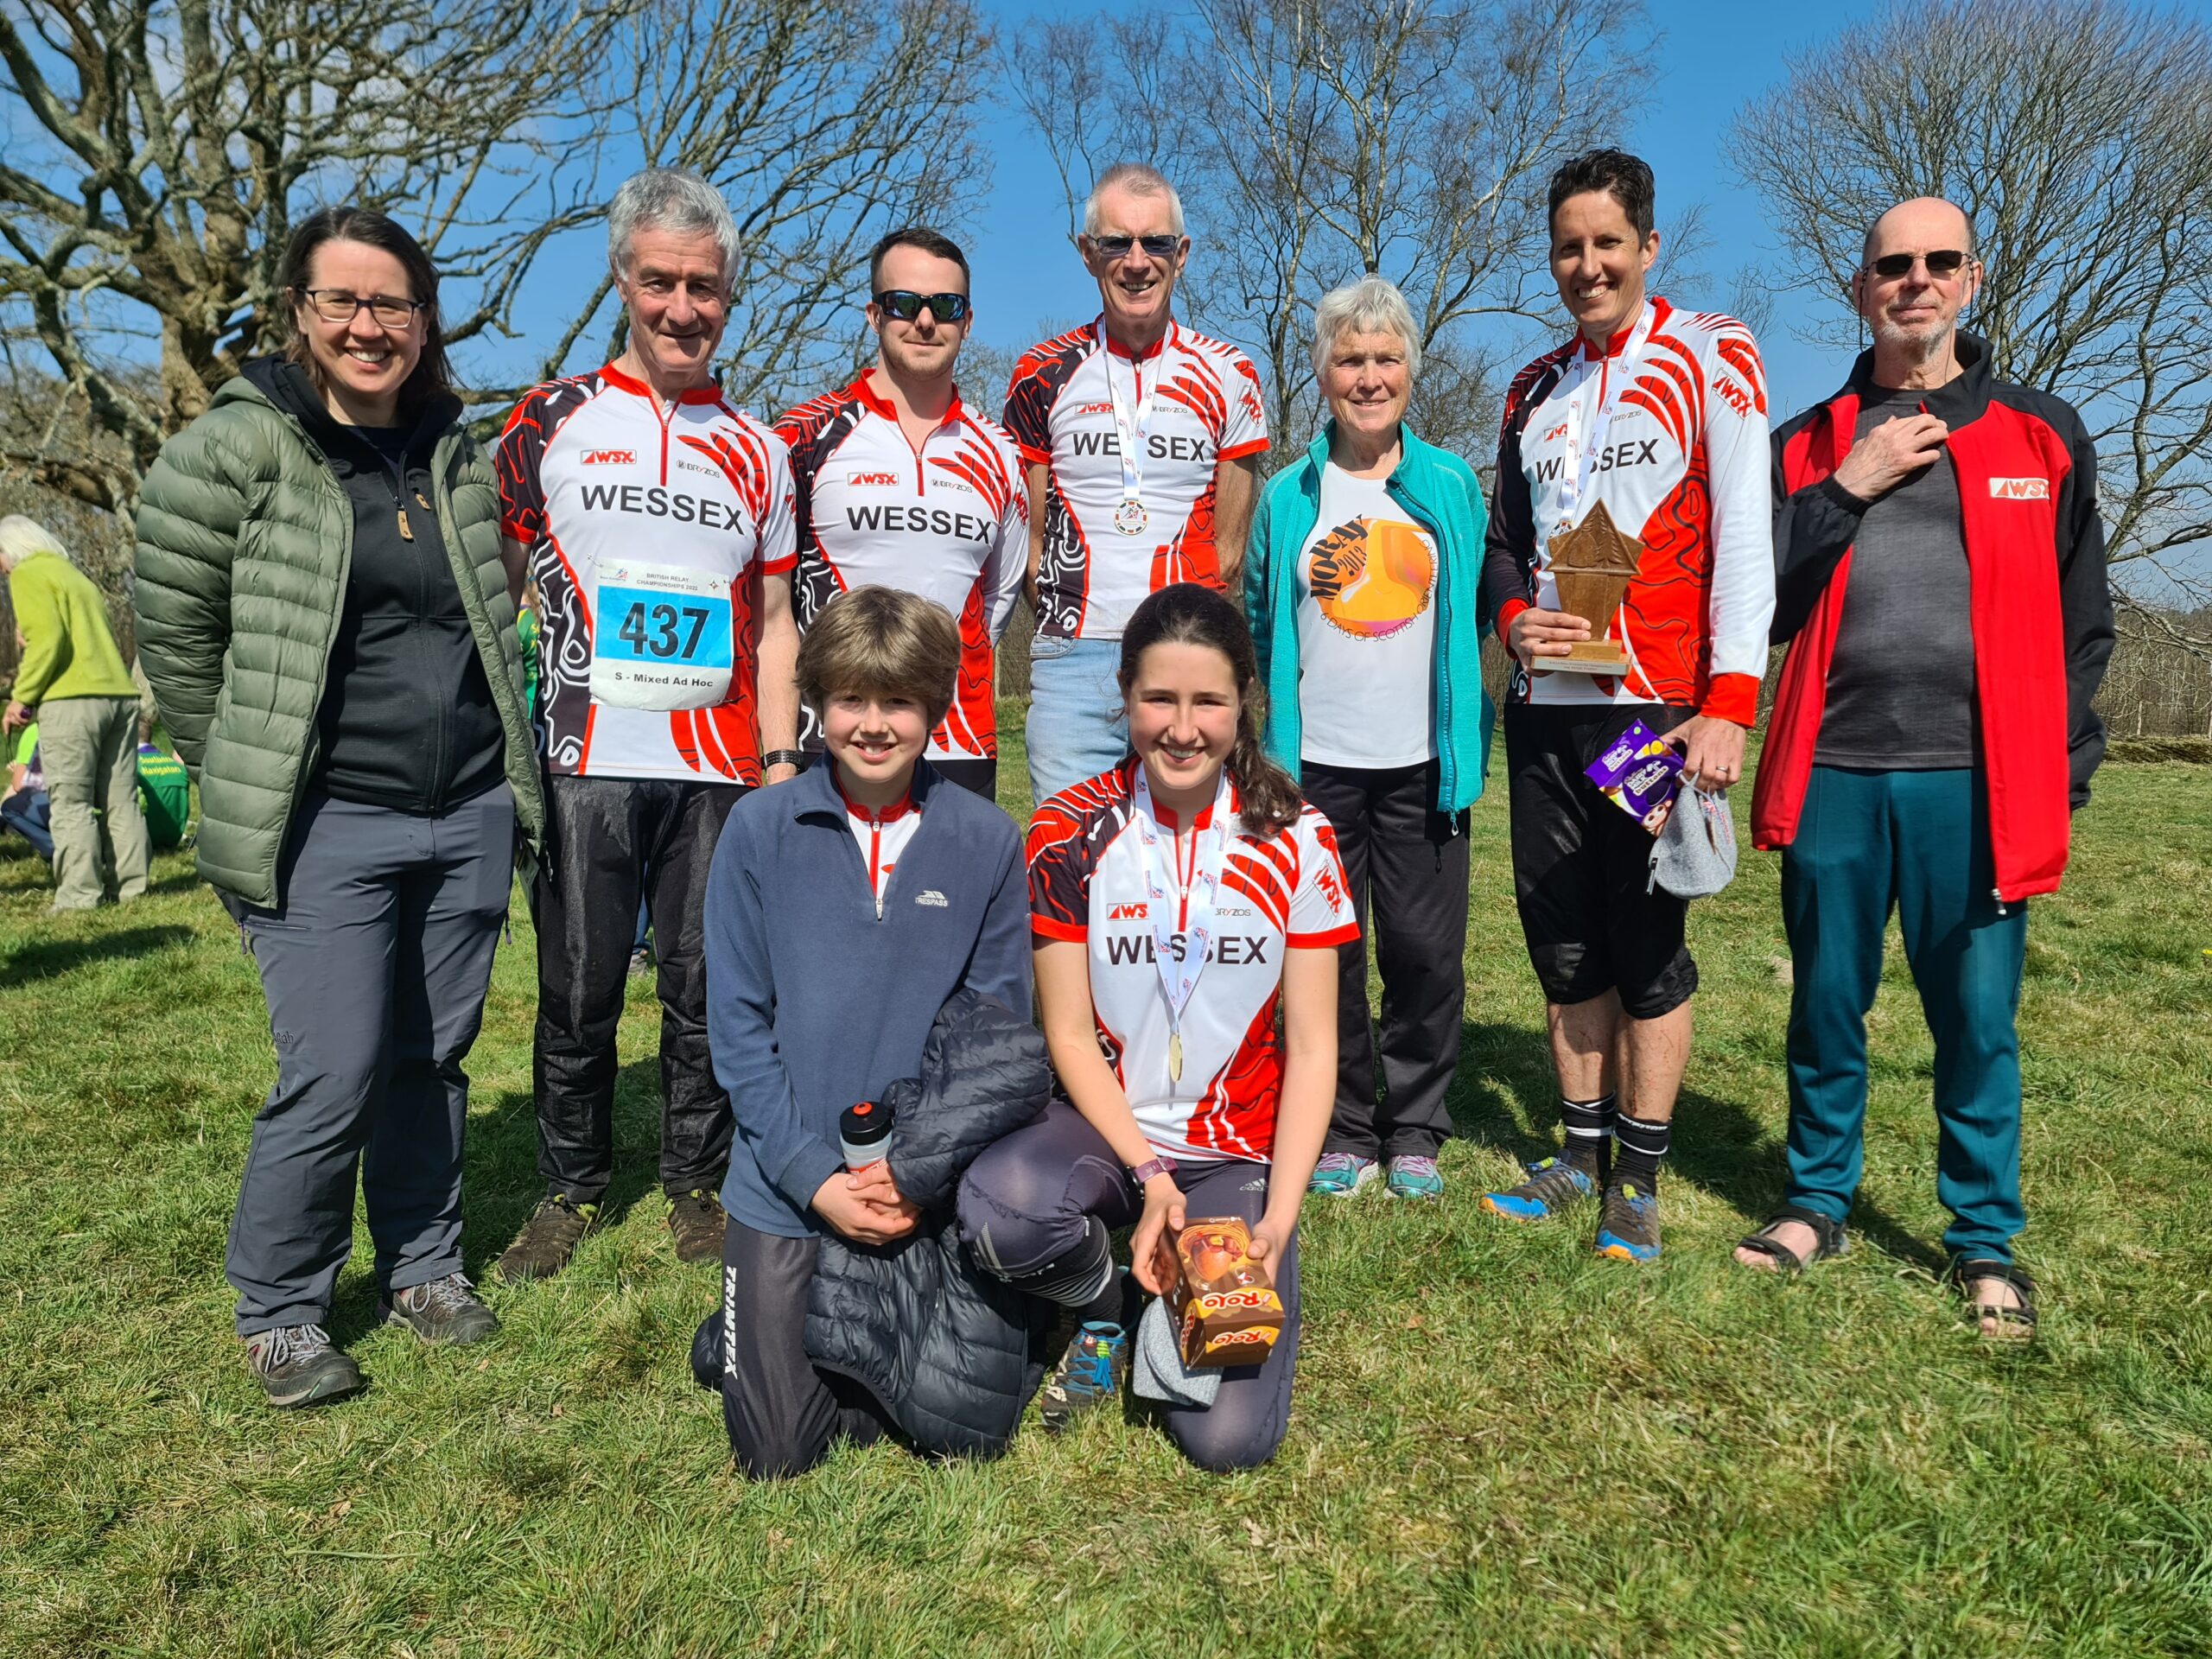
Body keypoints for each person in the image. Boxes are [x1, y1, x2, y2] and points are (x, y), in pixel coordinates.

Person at [135, 205, 544, 1407]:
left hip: (466, 804)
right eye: (343, 301)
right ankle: (280, 1307)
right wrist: (242, 764)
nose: (369, 326)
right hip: (327, 817)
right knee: (335, 1069)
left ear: (425, 320)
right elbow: (175, 632)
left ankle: (423, 1265)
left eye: (393, 304)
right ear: (298, 312)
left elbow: (488, 623)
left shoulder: (455, 451)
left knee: (434, 1055)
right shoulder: (235, 449)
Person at [1737, 198, 2113, 1338]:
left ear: (1971, 280)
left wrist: (2062, 770)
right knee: (1826, 1005)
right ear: (1861, 288)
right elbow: (1756, 606)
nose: (1916, 280)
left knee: (1978, 1019)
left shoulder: (2042, 433)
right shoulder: (1804, 441)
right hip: (1835, 770)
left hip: (1980, 782)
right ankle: (1816, 1201)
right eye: (1893, 264)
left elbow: (2084, 624)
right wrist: (1845, 486)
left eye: (1938, 261)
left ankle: (1983, 1237)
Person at [958, 583, 1356, 1472]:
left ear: (1244, 701)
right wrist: (1148, 1173)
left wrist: (1278, 1221)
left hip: (1231, 1156)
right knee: (1000, 1206)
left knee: (1226, 1441)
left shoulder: (1299, 836)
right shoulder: (1066, 830)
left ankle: (1167, 1287)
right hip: (1104, 1138)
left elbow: (1314, 1048)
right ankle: (1102, 1301)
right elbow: (1067, 1034)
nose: (1182, 729)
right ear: (1125, 696)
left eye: (1207, 701)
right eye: (1159, 700)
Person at [493, 168, 801, 1281]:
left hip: (716, 767)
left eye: (703, 287)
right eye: (660, 281)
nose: (682, 307)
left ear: (730, 298)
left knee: (704, 990)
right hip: (584, 755)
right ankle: (569, 1188)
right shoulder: (546, 423)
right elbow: (500, 590)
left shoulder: (760, 449)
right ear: (623, 280)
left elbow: (776, 622)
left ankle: (695, 1184)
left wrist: (779, 765)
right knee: (576, 989)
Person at [1478, 149, 1775, 1264]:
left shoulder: (1713, 351)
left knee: (1645, 942)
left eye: (1608, 243)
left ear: (1649, 246)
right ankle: (1575, 1153)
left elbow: (1746, 533)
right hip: (1545, 717)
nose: (1587, 265)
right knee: (1563, 944)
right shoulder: (1530, 388)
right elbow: (1503, 546)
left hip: (1650, 715)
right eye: (1569, 247)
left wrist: (1729, 701)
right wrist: (1513, 622)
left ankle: (1638, 1180)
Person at [702, 585, 1033, 1477]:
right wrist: (813, 1177)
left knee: (952, 1427)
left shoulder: (987, 839)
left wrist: (913, 1177)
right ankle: (749, 1318)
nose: (875, 724)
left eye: (899, 701)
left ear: (936, 706)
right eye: (852, 698)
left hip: (919, 1183)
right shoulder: (758, 828)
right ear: (818, 701)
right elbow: (737, 1028)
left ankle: (797, 1324)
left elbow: (994, 1040)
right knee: (779, 1451)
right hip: (788, 1179)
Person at [1243, 276, 1493, 1201]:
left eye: (1387, 358)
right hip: (1316, 770)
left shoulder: (1451, 485)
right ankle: (1345, 1125)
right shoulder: (1287, 496)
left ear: (1411, 372)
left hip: (1425, 765)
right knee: (1328, 955)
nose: (1369, 376)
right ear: (1323, 373)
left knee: (1425, 954)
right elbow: (1262, 617)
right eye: (1350, 358)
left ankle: (1416, 1126)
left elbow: (1473, 612)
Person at [1004, 163, 1270, 804]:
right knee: (1069, 851)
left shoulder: (1230, 373)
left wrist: (1188, 641)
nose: (1136, 261)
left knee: (1189, 851)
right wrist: (1070, 622)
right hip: (1074, 662)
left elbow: (1230, 550)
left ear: (1182, 254)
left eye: (1155, 242)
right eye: (1115, 242)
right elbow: (1029, 543)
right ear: (1086, 253)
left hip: (1189, 654)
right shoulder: (1040, 372)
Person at [776, 227, 1027, 800]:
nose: (925, 321)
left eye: (946, 306)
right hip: (830, 734)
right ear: (874, 315)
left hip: (958, 742)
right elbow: (771, 606)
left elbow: (997, 604)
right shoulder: (801, 437)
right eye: (904, 304)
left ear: (967, 321)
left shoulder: (1001, 452)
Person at [0, 516, 149, 911]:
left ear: (11, 548)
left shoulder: (28, 573)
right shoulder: (75, 576)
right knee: (120, 799)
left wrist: (21, 698)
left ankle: (78, 896)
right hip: (119, 696)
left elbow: (48, 641)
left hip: (73, 701)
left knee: (71, 803)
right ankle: (131, 890)